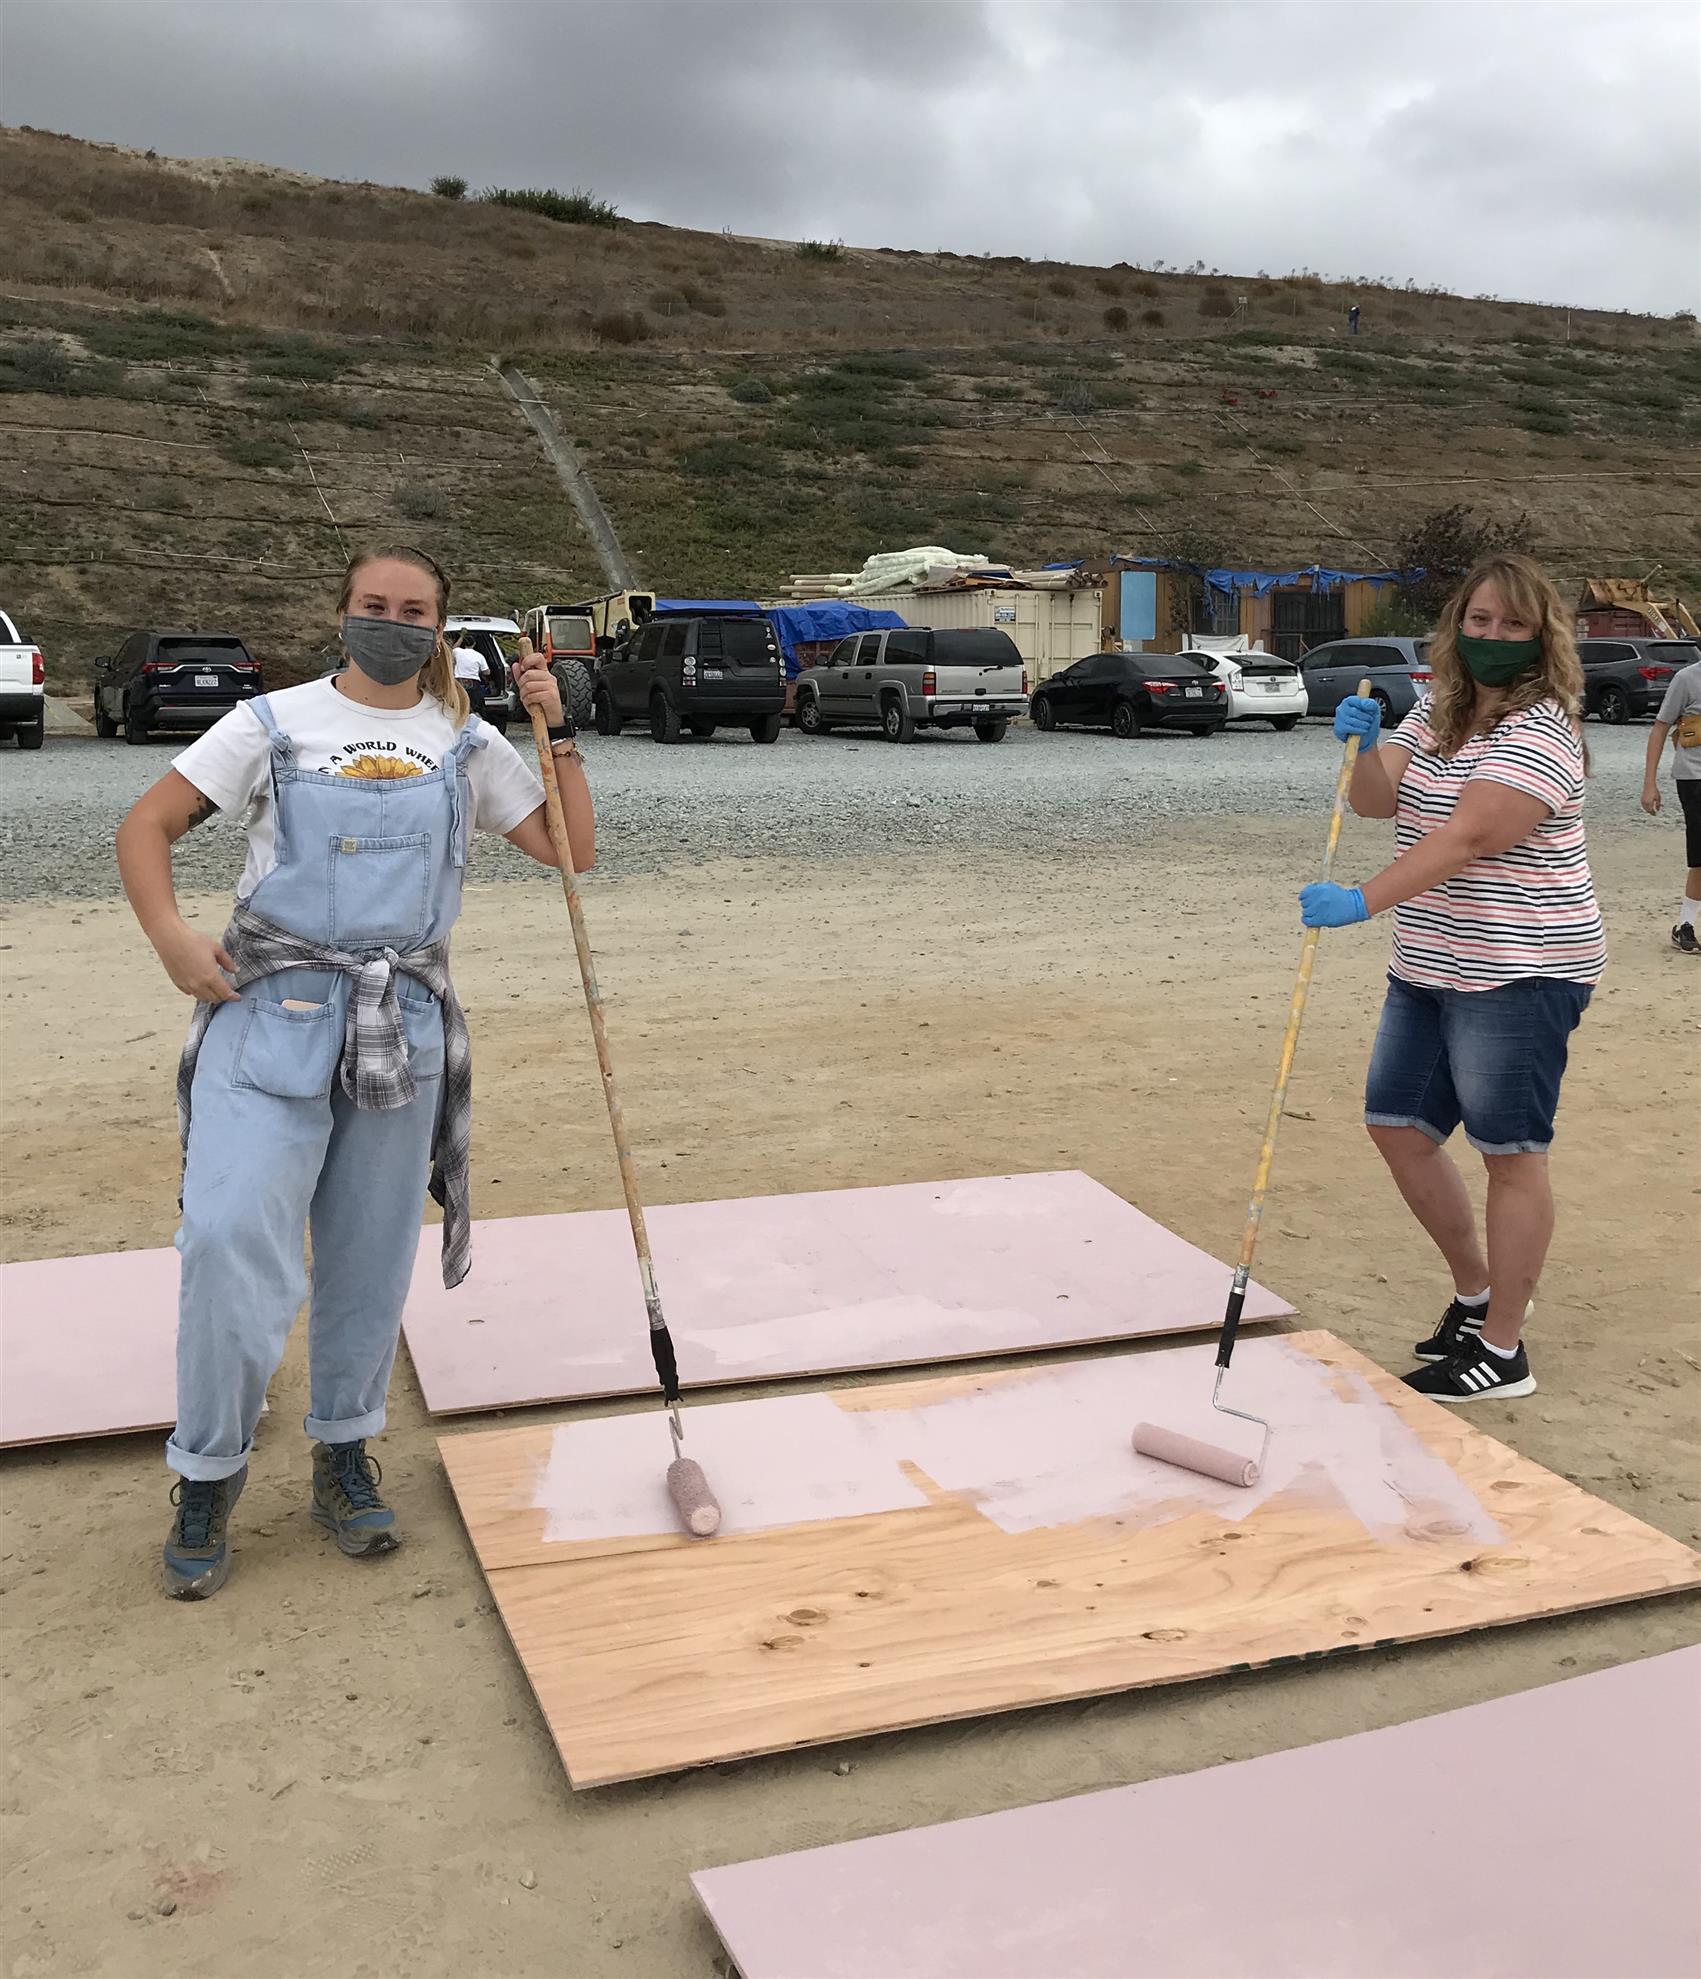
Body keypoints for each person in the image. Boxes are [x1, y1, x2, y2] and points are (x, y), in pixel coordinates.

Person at [115, 546, 595, 1599]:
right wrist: (170, 936)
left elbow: (571, 848)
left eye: (413, 609)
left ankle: (342, 1450)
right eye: (375, 604)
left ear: (438, 627)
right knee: (228, 1237)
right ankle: (209, 1470)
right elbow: (146, 823)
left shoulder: (465, 740)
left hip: (399, 1026)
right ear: (342, 614)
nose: (392, 621)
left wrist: (556, 728)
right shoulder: (273, 722)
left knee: (371, 1254)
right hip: (267, 1014)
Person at [1298, 553, 1603, 1404]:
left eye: (1512, 623)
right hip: (1430, 962)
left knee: (1510, 1151)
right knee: (1396, 1124)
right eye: (1478, 619)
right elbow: (1373, 802)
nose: (1492, 635)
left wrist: (1361, 900)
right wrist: (1363, 748)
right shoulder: (1439, 710)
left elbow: (1468, 836)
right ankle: (1477, 1295)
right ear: (1456, 624)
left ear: (1541, 636)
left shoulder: (1541, 730)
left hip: (1520, 969)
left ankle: (1502, 1350)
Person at [1640, 648, 1701, 953]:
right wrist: (1649, 783)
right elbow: (1660, 727)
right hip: (1695, 776)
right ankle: (1685, 925)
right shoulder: (1687, 678)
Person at [451, 628, 490, 718]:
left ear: (463, 643)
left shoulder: (457, 651)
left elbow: (453, 648)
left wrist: (461, 636)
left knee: (459, 704)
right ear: (474, 644)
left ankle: (459, 720)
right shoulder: (479, 656)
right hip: (473, 683)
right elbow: (487, 672)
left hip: (459, 682)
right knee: (476, 706)